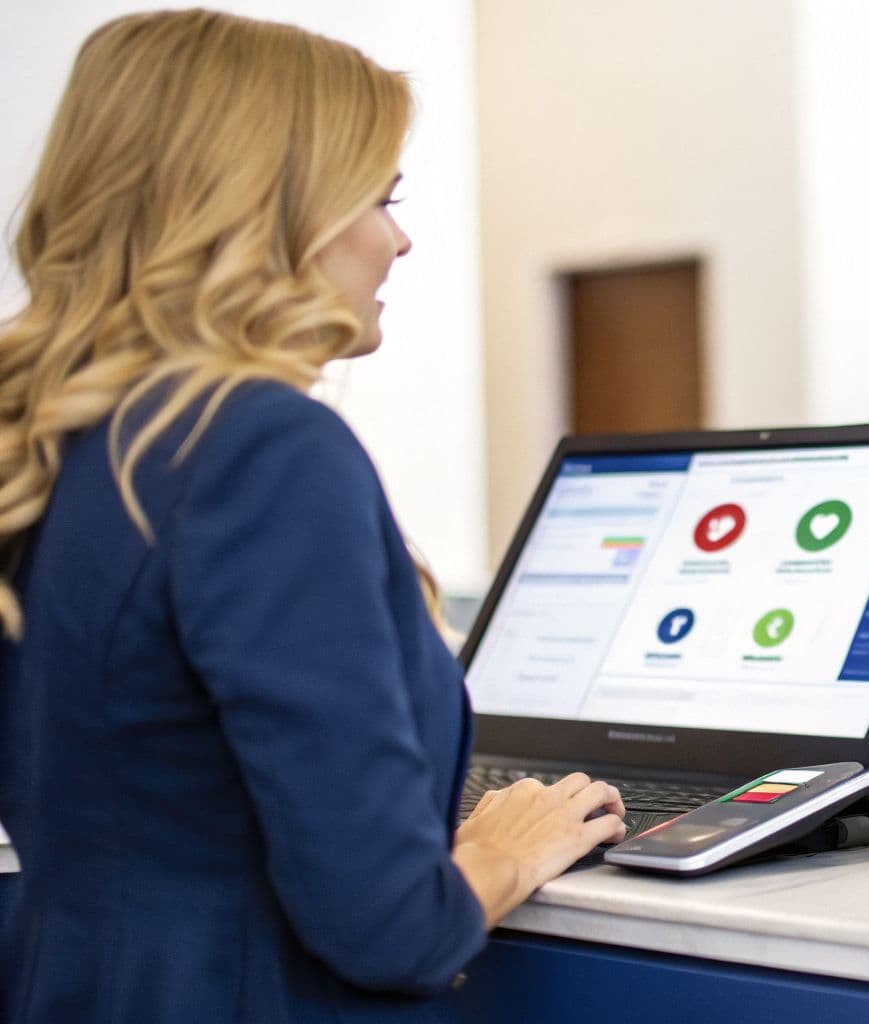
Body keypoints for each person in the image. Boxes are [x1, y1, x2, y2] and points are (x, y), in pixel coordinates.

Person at [0, 12, 625, 1021]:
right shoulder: (262, 448)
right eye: (380, 197)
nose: (400, 237)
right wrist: (499, 852)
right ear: (268, 211)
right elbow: (389, 927)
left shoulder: (48, 435)